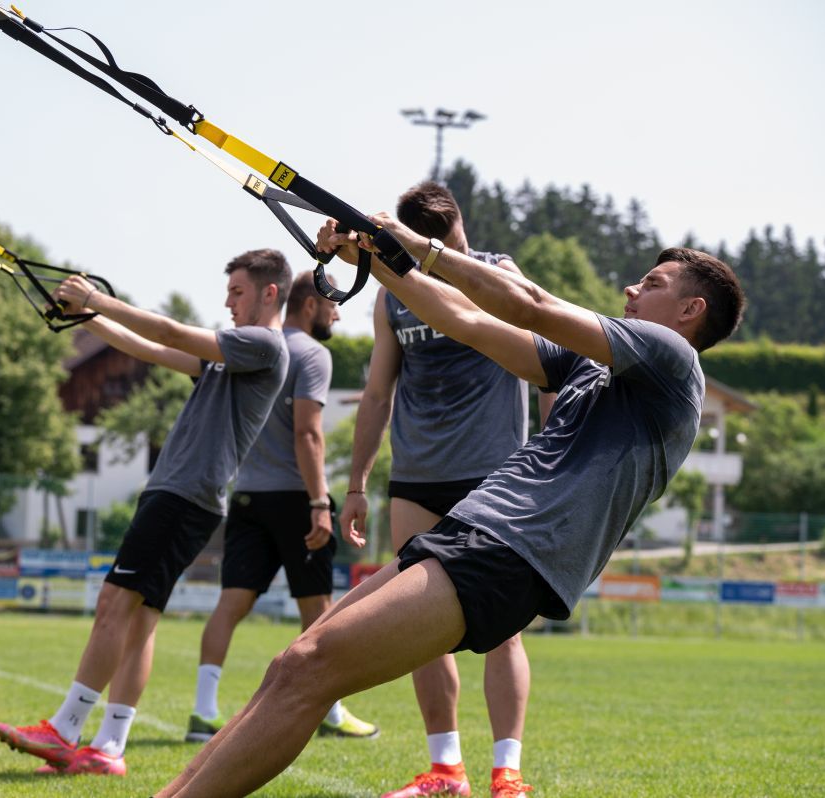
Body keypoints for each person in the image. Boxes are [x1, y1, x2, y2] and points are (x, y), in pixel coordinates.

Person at [155, 216, 745, 798]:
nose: (631, 290)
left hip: (513, 552)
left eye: (653, 284)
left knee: (311, 665)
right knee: (290, 665)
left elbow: (531, 304)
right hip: (479, 528)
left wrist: (417, 246)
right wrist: (379, 259)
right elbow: (465, 321)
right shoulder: (597, 369)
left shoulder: (671, 357)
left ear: (690, 311)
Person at [0, 249, 292, 776]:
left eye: (238, 292)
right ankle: (108, 748)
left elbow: (172, 332)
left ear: (270, 292)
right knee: (139, 620)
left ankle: (64, 730)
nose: (228, 302)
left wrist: (96, 299)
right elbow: (153, 349)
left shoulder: (264, 344)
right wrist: (92, 317)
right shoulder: (237, 355)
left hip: (183, 495)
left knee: (115, 601)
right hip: (185, 495)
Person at [340, 182, 550, 798]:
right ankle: (445, 769)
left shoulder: (497, 273)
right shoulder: (392, 296)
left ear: (460, 228)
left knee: (502, 629)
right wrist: (356, 484)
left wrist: (549, 452)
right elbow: (377, 394)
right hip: (416, 479)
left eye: (451, 242)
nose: (445, 254)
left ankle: (507, 772)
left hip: (494, 475)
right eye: (432, 245)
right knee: (420, 628)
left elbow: (546, 359)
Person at [187, 269, 378, 744]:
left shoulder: (254, 346)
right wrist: (319, 502)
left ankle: (202, 711)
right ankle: (331, 714)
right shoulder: (312, 353)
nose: (338, 311)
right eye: (333, 301)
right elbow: (308, 432)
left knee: (230, 604)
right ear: (309, 304)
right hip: (296, 496)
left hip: (248, 494)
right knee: (319, 610)